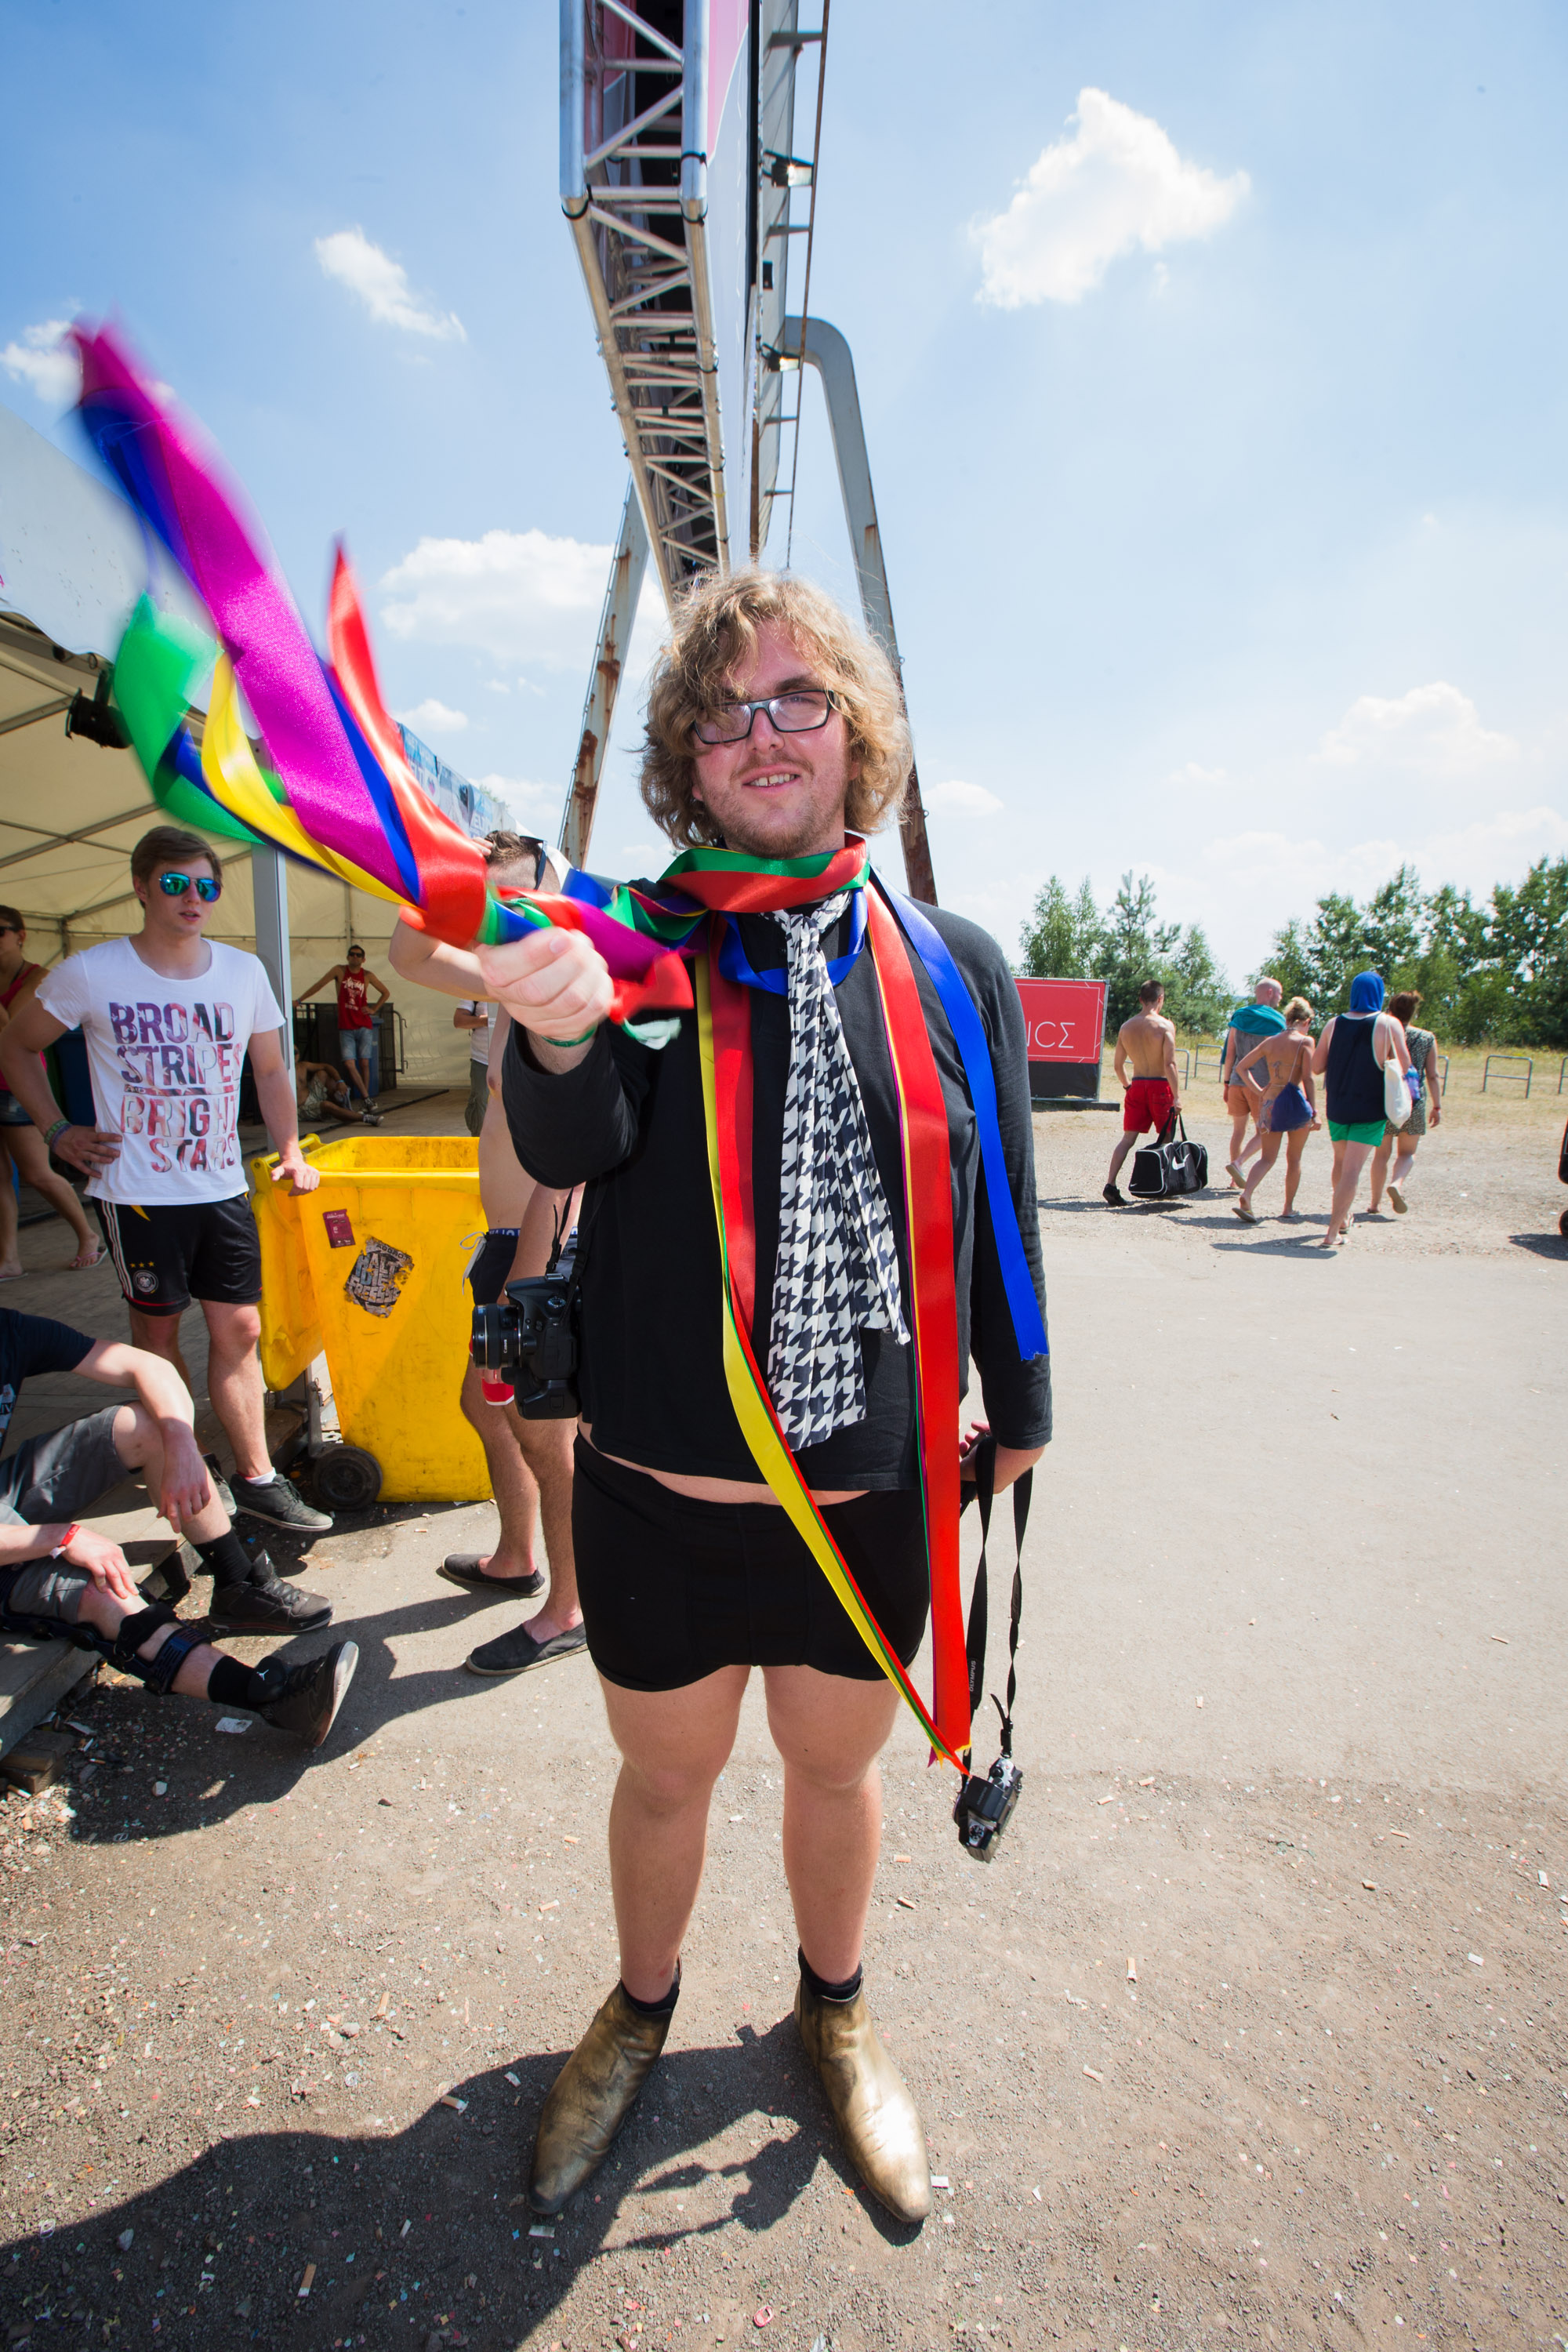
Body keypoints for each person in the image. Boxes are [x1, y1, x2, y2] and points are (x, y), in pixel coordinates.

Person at [472, 568, 1050, 2228]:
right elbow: (570, 1156)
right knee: (664, 1780)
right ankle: (638, 2011)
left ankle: (837, 2009)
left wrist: (1027, 1398)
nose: (762, 731)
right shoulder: (631, 947)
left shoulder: (952, 961)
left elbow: (1001, 1194)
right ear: (687, 762)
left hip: (869, 1491)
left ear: (857, 735)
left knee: (832, 1771)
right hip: (658, 1485)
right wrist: (563, 1042)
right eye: (723, 712)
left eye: (800, 698)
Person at [0, 825, 332, 1549]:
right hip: (136, 1192)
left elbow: (271, 1071)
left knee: (239, 1330)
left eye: (206, 886)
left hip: (220, 1188)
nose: (193, 899)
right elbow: (16, 1043)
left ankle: (256, 1479)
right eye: (176, 884)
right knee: (155, 1337)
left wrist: (286, 1151)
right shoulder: (94, 972)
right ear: (142, 888)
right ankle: (187, 1466)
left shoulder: (242, 973)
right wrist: (56, 1130)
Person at [389, 831, 584, 1679]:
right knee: (486, 1406)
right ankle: (517, 1554)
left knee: (546, 1435)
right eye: (483, 903)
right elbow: (409, 950)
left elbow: (573, 1158)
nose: (497, 917)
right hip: (506, 1241)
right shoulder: (503, 980)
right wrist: (430, 861)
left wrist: (528, 1271)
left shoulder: (564, 981)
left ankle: (569, 1607)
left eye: (514, 897)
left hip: (545, 1249)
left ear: (552, 887)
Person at [0, 1305, 349, 1734]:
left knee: (150, 1422)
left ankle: (239, 1586)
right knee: (103, 1589)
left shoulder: (10, 1328)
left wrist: (182, 1441)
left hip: (8, 1494)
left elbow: (147, 1366)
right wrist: (63, 1537)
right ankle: (270, 1697)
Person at [0, 906, 106, 1277]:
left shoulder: (39, 976)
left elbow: (10, 1027)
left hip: (16, 1087)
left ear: (20, 935)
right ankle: (9, 1258)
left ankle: (87, 1234)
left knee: (36, 1173)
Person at [1311, 971, 1412, 1247]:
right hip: (1370, 1106)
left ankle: (1342, 1219)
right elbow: (1406, 1065)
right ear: (1379, 993)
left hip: (1338, 1106)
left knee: (1340, 1164)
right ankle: (1332, 1232)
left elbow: (1316, 1067)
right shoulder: (1389, 1023)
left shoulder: (1333, 1024)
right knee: (1353, 1170)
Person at [1231, 996, 1318, 1222]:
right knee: (1294, 1158)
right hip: (1294, 1101)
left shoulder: (1270, 1041)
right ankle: (1288, 1207)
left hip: (1270, 1101)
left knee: (1267, 1158)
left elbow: (1241, 1067)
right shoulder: (1306, 1042)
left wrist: (1259, 1091)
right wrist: (1315, 1111)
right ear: (1305, 1021)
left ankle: (1247, 1195)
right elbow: (1308, 1078)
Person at [1103, 980, 1181, 1205]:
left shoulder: (1126, 1027)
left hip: (1137, 1084)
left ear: (1140, 1000)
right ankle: (1163, 1184)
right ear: (1160, 999)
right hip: (1160, 1085)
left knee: (1128, 1138)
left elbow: (1118, 1066)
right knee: (1166, 1136)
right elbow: (1170, 1064)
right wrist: (1176, 1096)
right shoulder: (1165, 1026)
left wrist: (1128, 1086)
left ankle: (1111, 1184)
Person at [1368, 990, 1441, 1217]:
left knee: (1381, 1155)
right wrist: (1437, 1106)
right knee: (1407, 1153)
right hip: (1414, 1100)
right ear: (1414, 1012)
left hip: (1387, 1099)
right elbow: (1432, 1075)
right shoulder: (1427, 1038)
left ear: (1390, 1010)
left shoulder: (1384, 1033)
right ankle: (1397, 1184)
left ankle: (1374, 1204)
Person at [295, 942, 391, 1106]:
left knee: (365, 1062)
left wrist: (374, 1008)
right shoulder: (339, 971)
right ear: (347, 957)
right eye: (352, 954)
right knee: (349, 1063)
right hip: (346, 1026)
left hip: (363, 1024)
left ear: (363, 959)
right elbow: (319, 984)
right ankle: (366, 1097)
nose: (355, 957)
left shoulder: (367, 975)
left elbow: (385, 992)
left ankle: (366, 1097)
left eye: (358, 955)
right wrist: (300, 1000)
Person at [1220, 978, 1285, 1185]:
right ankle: (1239, 1163)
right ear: (1269, 992)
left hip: (1237, 1082)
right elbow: (1277, 1057)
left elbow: (1229, 1054)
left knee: (1238, 1131)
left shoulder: (1239, 1016)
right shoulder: (1276, 1021)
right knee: (1264, 1131)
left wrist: (1227, 1082)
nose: (1281, 998)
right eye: (1279, 994)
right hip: (1260, 1086)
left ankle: (1234, 1178)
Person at [296, 1058, 382, 1128]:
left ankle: (344, 1109)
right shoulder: (285, 1072)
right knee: (327, 1105)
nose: (295, 1055)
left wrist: (340, 1081)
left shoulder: (302, 1065)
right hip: (302, 1108)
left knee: (322, 1073)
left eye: (296, 1053)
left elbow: (326, 1066)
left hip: (312, 1095)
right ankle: (365, 1118)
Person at [456, 999, 492, 1136]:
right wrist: (483, 1021)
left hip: (515, 1058)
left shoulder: (522, 985)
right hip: (483, 1059)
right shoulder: (475, 987)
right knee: (481, 1102)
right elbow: (459, 1020)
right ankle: (477, 1144)